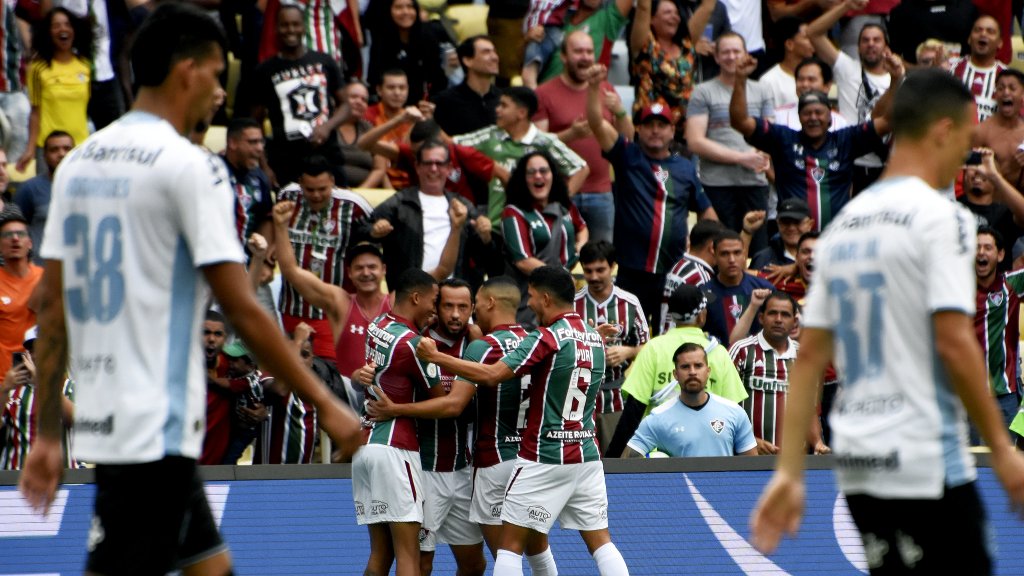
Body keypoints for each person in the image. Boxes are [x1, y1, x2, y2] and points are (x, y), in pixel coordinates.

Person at [18, 6, 363, 575]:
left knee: (210, 567)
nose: (220, 93)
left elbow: (51, 307)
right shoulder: (189, 166)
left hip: (114, 418)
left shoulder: (79, 164)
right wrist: (325, 401)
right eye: (216, 73)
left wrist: (50, 435)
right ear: (187, 71)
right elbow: (243, 309)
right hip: (156, 420)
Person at [750, 69, 1024, 575]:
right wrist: (1004, 451)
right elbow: (953, 342)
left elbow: (807, 356)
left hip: (859, 459)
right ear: (944, 130)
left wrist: (789, 472)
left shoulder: (842, 228)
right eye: (965, 140)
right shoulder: (942, 217)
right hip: (925, 453)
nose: (963, 160)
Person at [415, 265, 630, 576]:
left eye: (531, 297)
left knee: (510, 548)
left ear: (544, 298)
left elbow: (491, 375)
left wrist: (437, 358)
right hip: (586, 455)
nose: (528, 304)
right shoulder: (591, 338)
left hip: (540, 456)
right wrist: (595, 334)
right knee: (601, 543)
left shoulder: (545, 338)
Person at [364, 276, 558, 573]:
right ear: (435, 307)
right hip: (425, 469)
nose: (455, 314)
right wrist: (359, 375)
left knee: (474, 563)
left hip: (464, 470)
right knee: (421, 561)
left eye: (464, 307)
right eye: (448, 306)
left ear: (474, 308)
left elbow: (455, 404)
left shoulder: (477, 342)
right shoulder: (420, 341)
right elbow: (378, 371)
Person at [586, 63, 718, 327]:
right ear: (639, 129)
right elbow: (596, 123)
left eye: (662, 124)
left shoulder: (685, 167)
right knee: (625, 332)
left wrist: (703, 250)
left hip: (672, 273)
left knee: (666, 335)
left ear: (672, 130)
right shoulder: (628, 156)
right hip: (631, 270)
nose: (655, 130)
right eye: (649, 125)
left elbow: (707, 211)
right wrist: (592, 88)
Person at [730, 50, 898, 231]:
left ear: (830, 119)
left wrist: (895, 80)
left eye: (819, 113)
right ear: (799, 118)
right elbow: (740, 122)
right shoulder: (783, 139)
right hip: (793, 240)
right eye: (807, 113)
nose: (813, 118)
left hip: (836, 239)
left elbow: (887, 122)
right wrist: (740, 80)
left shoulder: (846, 140)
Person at [355, 269, 441, 576]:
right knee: (409, 556)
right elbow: (440, 399)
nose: (436, 307)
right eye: (434, 300)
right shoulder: (415, 345)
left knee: (380, 555)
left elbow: (364, 375)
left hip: (365, 445)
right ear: (416, 298)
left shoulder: (378, 323)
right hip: (395, 449)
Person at [605, 283, 748, 458]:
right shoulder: (719, 353)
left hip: (659, 458)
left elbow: (633, 412)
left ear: (672, 317)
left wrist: (612, 461)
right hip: (710, 456)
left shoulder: (653, 348)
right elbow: (736, 411)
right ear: (701, 316)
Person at [535, 30, 629, 244]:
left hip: (602, 192)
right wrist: (571, 134)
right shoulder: (544, 93)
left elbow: (626, 138)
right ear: (564, 57)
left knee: (602, 258)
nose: (585, 57)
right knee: (559, 256)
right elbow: (537, 146)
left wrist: (621, 111)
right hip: (561, 193)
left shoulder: (606, 90)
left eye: (589, 51)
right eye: (578, 51)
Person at [277, 155, 373, 364]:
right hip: (292, 308)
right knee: (293, 374)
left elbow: (376, 236)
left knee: (330, 373)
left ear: (332, 181)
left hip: (332, 313)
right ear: (300, 183)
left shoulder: (353, 205)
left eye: (323, 189)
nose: (317, 195)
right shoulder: (286, 196)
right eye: (310, 190)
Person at [363, 140, 491, 291]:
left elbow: (488, 258)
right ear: (417, 166)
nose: (433, 169)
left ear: (449, 168)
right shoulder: (399, 203)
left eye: (439, 163)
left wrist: (486, 237)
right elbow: (361, 229)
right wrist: (373, 230)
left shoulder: (464, 206)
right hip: (409, 295)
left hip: (453, 297)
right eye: (428, 163)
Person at [684, 32, 772, 253]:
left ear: (746, 54)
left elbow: (769, 134)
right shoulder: (703, 92)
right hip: (717, 184)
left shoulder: (762, 90)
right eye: (726, 52)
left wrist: (761, 156)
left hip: (754, 182)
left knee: (758, 250)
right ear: (716, 57)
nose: (732, 57)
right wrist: (742, 158)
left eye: (736, 51)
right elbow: (694, 141)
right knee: (720, 248)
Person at [454, 86, 589, 228]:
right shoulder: (491, 135)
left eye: (504, 105)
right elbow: (454, 144)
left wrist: (558, 203)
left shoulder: (544, 142)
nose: (497, 110)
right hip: (496, 227)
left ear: (521, 113)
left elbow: (580, 168)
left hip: (533, 230)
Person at [251, 3, 348, 187]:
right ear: (276, 28)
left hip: (328, 156)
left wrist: (327, 127)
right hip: (286, 161)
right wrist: (264, 166)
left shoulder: (324, 61)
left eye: (295, 24)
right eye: (285, 25)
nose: (291, 30)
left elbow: (346, 105)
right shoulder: (264, 70)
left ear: (304, 26)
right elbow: (255, 122)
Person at [806, 0, 894, 193]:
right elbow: (812, 33)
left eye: (876, 40)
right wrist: (846, 6)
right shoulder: (847, 68)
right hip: (849, 163)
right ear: (858, 46)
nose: (870, 44)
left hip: (885, 166)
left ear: (886, 47)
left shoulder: (896, 80)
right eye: (865, 40)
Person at [729, 291, 828, 455]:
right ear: (761, 318)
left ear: (795, 321)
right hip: (748, 459)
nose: (778, 319)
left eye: (785, 315)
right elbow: (725, 408)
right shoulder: (741, 351)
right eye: (773, 313)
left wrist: (817, 442)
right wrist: (749, 441)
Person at [574, 241, 650, 450]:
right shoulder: (573, 304)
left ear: (613, 266)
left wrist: (629, 351)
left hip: (615, 397)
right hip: (578, 398)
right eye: (588, 271)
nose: (594, 277)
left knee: (615, 462)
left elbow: (648, 348)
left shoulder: (630, 303)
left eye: (600, 270)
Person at [624, 342, 757, 458]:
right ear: (675, 374)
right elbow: (626, 463)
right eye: (685, 367)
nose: (692, 372)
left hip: (724, 487)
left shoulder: (735, 412)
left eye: (698, 366)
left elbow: (753, 467)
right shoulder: (657, 418)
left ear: (708, 371)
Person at [502, 150, 588, 327]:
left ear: (553, 176)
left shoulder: (564, 206)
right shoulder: (514, 213)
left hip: (567, 293)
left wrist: (579, 248)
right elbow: (523, 261)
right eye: (531, 172)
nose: (538, 176)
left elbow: (582, 228)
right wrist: (561, 277)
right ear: (522, 179)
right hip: (532, 298)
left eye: (544, 171)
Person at [16, 8, 91, 174]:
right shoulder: (38, 68)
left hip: (80, 146)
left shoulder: (85, 66)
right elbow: (35, 112)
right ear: (48, 33)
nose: (62, 29)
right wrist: (30, 149)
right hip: (49, 147)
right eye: (56, 26)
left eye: (67, 25)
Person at [972, 226, 1024, 436]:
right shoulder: (954, 290)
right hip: (967, 398)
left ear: (1000, 254)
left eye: (988, 247)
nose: (981, 252)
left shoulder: (1011, 285)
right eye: (976, 247)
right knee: (972, 464)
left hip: (1005, 397)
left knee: (1010, 463)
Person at [1, 326, 76, 470]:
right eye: (32, 349)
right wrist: (4, 389)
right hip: (15, 479)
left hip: (64, 479)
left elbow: (75, 420)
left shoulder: (69, 387)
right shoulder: (12, 389)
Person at [629, 0, 708, 131]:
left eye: (676, 13)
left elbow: (707, 7)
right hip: (651, 130)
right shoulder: (645, 47)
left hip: (683, 133)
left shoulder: (686, 46)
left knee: (681, 152)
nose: (674, 17)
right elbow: (643, 7)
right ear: (652, 19)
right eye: (667, 12)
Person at [365, 0, 447, 105]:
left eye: (410, 7)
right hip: (389, 104)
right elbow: (374, 78)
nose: (405, 12)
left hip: (422, 104)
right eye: (399, 8)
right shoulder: (381, 39)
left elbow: (438, 78)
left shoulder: (427, 36)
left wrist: (431, 102)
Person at [704, 230, 775, 345]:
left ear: (744, 255)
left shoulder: (765, 289)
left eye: (737, 253)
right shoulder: (704, 294)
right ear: (715, 256)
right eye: (724, 254)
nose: (731, 260)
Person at [14, 131, 74, 264]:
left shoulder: (87, 189)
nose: (61, 154)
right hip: (39, 271)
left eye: (67, 149)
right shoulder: (29, 190)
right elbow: (15, 229)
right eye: (54, 150)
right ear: (44, 156)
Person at [659, 219, 725, 335]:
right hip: (684, 342)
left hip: (666, 336)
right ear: (712, 248)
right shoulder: (701, 277)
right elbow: (712, 316)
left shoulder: (678, 266)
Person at [432, 35, 503, 138]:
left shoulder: (503, 99)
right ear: (467, 61)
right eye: (486, 52)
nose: (495, 57)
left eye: (494, 52)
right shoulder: (444, 101)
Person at [0, 211, 42, 378]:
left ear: (30, 243)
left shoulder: (45, 280)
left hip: (43, 380)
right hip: (5, 380)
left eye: (21, 234)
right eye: (8, 235)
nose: (15, 238)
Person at [220, 118, 273, 251]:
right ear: (232, 143)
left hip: (248, 260)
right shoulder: (213, 172)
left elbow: (266, 218)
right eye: (252, 142)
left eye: (261, 142)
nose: (260, 148)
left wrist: (263, 259)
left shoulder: (259, 177)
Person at [949, 15, 1007, 123]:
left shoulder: (1006, 77)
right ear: (969, 38)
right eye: (978, 30)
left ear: (1000, 43)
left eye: (990, 31)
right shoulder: (950, 69)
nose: (983, 34)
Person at [974, 69, 1024, 188]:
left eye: (1012, 88)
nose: (1006, 92)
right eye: (1000, 88)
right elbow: (970, 176)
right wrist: (1011, 168)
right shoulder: (982, 131)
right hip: (990, 202)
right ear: (995, 95)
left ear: (1023, 95)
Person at [337, 80, 389, 188]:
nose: (359, 102)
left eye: (364, 100)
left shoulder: (369, 129)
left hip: (364, 195)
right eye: (354, 97)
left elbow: (379, 169)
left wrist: (358, 195)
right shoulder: (326, 126)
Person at [757, 18, 816, 110]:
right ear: (789, 44)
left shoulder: (818, 75)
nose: (813, 41)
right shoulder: (769, 81)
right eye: (806, 38)